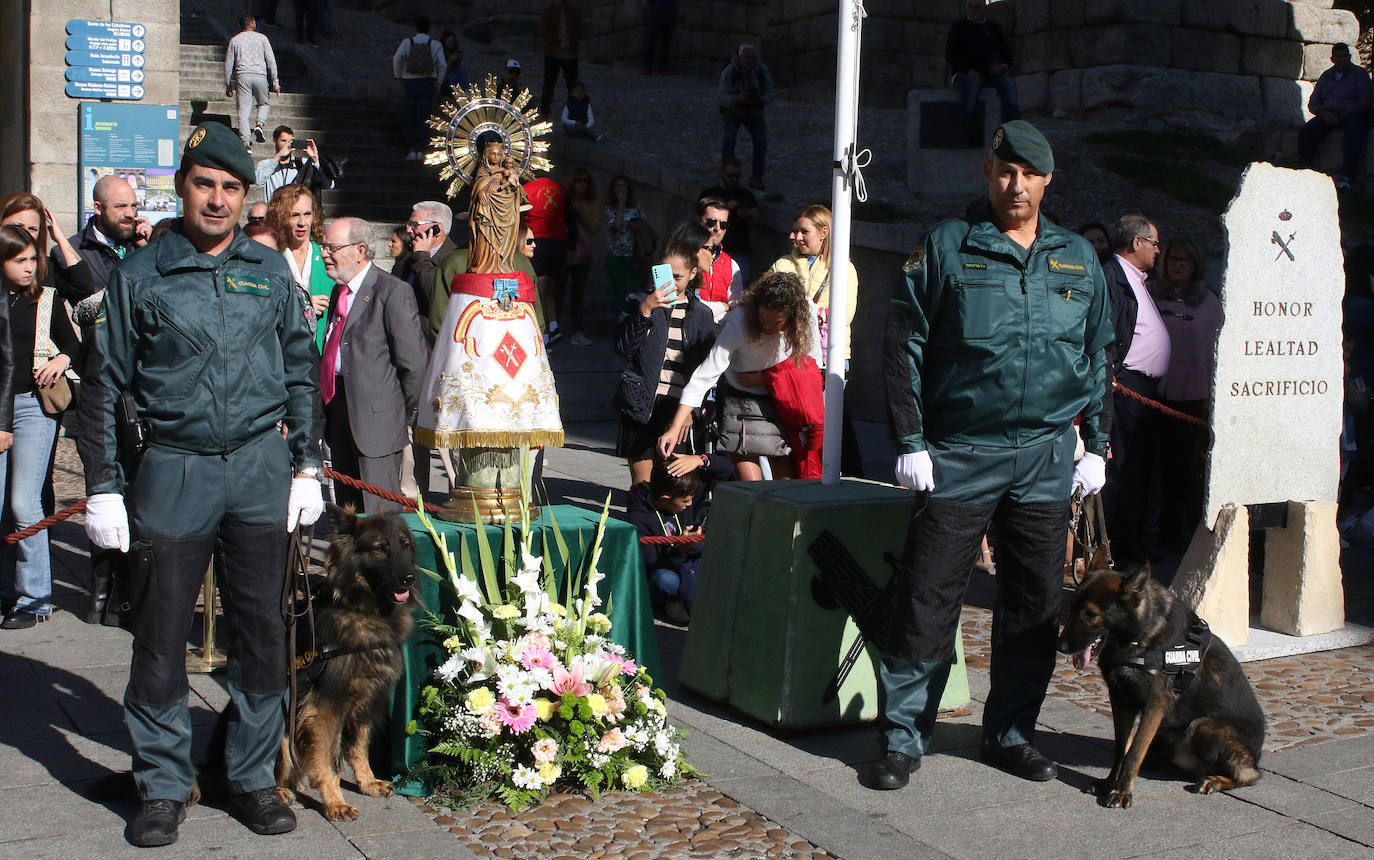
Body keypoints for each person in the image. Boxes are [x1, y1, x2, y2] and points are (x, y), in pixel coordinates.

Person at [77, 121, 323, 846]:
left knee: (261, 632)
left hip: (257, 468)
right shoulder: (140, 275)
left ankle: (247, 776)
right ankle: (161, 783)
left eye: (230, 187)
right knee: (158, 638)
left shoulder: (270, 271)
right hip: (172, 469)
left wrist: (308, 462)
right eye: (204, 184)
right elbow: (102, 382)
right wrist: (104, 485)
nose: (216, 199)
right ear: (183, 187)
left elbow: (298, 370)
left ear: (248, 196)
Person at [873, 120, 1112, 791]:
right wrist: (911, 441)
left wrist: (1098, 444)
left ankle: (1010, 734)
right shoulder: (948, 246)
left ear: (1047, 180)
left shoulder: (1075, 257)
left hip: (1043, 455)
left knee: (1034, 603)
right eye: (1005, 171)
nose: (1016, 185)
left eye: (1029, 174)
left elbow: (1097, 357)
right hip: (960, 449)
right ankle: (902, 737)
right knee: (928, 595)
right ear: (988, 172)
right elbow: (904, 343)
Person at [657, 271, 820, 481]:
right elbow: (704, 376)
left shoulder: (805, 313)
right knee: (750, 487)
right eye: (763, 319)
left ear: (793, 317)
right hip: (740, 403)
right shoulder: (741, 319)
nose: (767, 326)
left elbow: (811, 368)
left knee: (786, 487)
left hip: (782, 403)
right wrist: (675, 426)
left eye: (777, 323)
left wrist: (768, 379)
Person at [319, 216, 427, 514]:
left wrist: (398, 415)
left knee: (378, 519)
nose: (324, 253)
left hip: (377, 425)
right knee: (348, 512)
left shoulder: (391, 291)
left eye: (332, 247)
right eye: (323, 246)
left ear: (360, 249)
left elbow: (414, 365)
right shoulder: (338, 292)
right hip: (339, 411)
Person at [0, 224, 78, 630]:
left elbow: (76, 347)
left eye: (34, 258)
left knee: (23, 503)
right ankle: (6, 591)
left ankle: (35, 599)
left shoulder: (47, 299)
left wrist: (60, 359)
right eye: (20, 260)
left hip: (33, 406)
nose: (31, 267)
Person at [616, 240, 717, 486]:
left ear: (693, 273)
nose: (670, 283)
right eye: (664, 274)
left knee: (673, 484)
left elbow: (707, 368)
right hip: (642, 401)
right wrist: (646, 310)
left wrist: (693, 409)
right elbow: (623, 347)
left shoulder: (702, 314)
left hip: (678, 405)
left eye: (678, 276)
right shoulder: (639, 301)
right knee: (642, 486)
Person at [1102, 213, 1169, 567]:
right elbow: (1107, 332)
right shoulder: (1112, 276)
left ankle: (1133, 543)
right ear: (1137, 242)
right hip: (1124, 388)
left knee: (1139, 472)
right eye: (1154, 243)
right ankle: (1119, 549)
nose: (1158, 251)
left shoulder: (1138, 279)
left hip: (1144, 392)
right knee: (1122, 472)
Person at [1150, 236, 1222, 551]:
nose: (1178, 265)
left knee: (1192, 472)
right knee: (1162, 470)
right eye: (1173, 260)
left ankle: (1191, 534)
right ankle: (1164, 533)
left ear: (1195, 265)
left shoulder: (1209, 302)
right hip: (1157, 396)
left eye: (1185, 260)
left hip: (1195, 399)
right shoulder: (1152, 297)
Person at [627, 452, 732, 625]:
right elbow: (652, 567)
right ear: (665, 499)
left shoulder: (682, 494)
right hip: (663, 573)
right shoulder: (640, 519)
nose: (690, 505)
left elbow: (727, 470)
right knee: (665, 579)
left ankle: (689, 602)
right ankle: (679, 604)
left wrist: (700, 460)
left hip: (689, 566)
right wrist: (679, 550)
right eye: (686, 501)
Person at [769, 204, 859, 372]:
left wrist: (801, 312)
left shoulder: (843, 268)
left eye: (804, 231)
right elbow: (768, 303)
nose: (795, 236)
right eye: (795, 231)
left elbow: (844, 315)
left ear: (823, 233)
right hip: (786, 352)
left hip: (830, 355)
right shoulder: (782, 263)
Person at [265, 184, 332, 350]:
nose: (302, 223)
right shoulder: (270, 258)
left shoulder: (328, 256)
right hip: (282, 352)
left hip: (321, 354)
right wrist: (304, 306)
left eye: (307, 214)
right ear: (280, 217)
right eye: (294, 215)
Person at [946, 0, 1020, 146]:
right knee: (972, 87)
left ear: (983, 8)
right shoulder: (958, 28)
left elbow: (1007, 54)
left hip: (990, 75)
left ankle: (1015, 131)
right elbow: (951, 56)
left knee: (1009, 84)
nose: (973, 9)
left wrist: (1003, 66)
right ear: (965, 8)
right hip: (963, 74)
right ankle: (967, 134)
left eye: (976, 6)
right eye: (970, 6)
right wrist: (968, 70)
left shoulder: (993, 29)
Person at [1299, 42, 1372, 189]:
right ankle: (1306, 171)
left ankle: (1347, 176)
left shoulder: (1360, 74)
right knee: (1306, 131)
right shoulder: (1326, 76)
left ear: (1349, 57)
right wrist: (1322, 113)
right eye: (1338, 56)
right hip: (1328, 115)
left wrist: (1346, 113)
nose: (1342, 59)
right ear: (1332, 59)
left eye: (1344, 56)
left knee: (1354, 132)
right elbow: (1314, 102)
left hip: (1353, 114)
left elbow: (1365, 101)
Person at [0, 193, 95, 304]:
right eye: (17, 227)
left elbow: (84, 290)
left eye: (32, 229)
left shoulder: (47, 271)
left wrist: (61, 238)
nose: (25, 233)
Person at [718, 44, 775, 191]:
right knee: (729, 139)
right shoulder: (730, 72)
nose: (750, 61)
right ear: (739, 58)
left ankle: (757, 177)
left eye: (752, 58)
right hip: (733, 112)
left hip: (754, 112)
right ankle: (726, 174)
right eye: (746, 58)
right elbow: (721, 96)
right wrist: (737, 98)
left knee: (761, 142)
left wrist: (761, 100)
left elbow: (771, 91)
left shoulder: (762, 71)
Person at [524, 172, 569, 344]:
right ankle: (553, 325)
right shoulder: (560, 189)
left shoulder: (526, 188)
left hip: (536, 239)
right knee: (552, 286)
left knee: (540, 286)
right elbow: (569, 217)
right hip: (558, 241)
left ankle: (543, 333)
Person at [699, 157, 758, 285]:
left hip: (739, 250)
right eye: (730, 175)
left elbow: (756, 217)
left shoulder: (745, 195)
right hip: (709, 247)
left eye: (737, 176)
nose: (734, 179)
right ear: (722, 172)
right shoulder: (710, 194)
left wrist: (740, 211)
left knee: (740, 286)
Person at [393, 17, 446, 161]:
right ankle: (421, 150)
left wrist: (398, 76)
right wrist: (439, 82)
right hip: (428, 82)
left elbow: (397, 58)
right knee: (424, 116)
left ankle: (411, 149)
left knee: (410, 115)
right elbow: (442, 65)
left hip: (410, 82)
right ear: (429, 28)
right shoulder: (435, 44)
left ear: (416, 27)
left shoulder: (407, 42)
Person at [403, 200, 458, 339]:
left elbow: (436, 297)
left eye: (414, 225)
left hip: (431, 343)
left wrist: (422, 258)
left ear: (437, 229)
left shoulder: (453, 260)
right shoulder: (410, 256)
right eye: (409, 224)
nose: (408, 230)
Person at [225, 16, 281, 149]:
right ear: (253, 23)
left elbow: (228, 64)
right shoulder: (262, 38)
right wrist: (275, 81)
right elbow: (271, 60)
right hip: (260, 75)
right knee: (263, 104)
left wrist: (228, 84)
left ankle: (246, 143)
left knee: (243, 112)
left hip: (242, 75)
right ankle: (259, 124)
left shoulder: (235, 40)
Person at [254, 125, 336, 204]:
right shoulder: (266, 164)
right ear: (275, 141)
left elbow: (329, 185)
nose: (287, 144)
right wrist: (278, 156)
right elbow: (258, 180)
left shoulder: (302, 163)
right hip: (274, 212)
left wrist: (315, 159)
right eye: (283, 141)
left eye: (290, 141)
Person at [565, 166, 600, 345]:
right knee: (559, 290)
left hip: (582, 251)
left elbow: (594, 226)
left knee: (578, 293)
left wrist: (579, 215)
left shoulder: (591, 203)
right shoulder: (564, 200)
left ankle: (577, 331)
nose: (581, 184)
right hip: (565, 249)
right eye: (578, 180)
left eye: (585, 181)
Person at [695, 197, 743, 323]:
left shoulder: (732, 265)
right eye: (711, 222)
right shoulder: (684, 257)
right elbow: (690, 307)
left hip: (717, 336)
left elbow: (736, 309)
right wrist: (722, 306)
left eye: (723, 225)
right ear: (698, 220)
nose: (717, 228)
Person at [605, 175, 646, 308]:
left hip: (634, 253)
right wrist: (621, 205)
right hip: (616, 254)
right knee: (619, 288)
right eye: (617, 185)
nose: (621, 189)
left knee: (636, 287)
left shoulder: (636, 208)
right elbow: (616, 226)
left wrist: (635, 225)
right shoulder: (609, 209)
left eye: (623, 185)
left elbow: (643, 226)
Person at [539, 0, 583, 117]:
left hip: (570, 54)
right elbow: (545, 30)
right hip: (553, 52)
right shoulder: (548, 11)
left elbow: (579, 30)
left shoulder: (574, 12)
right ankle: (545, 110)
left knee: (572, 84)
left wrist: (570, 43)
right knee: (549, 82)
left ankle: (574, 111)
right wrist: (558, 43)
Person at [642, 0, 677, 75]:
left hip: (667, 16)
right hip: (658, 15)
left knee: (665, 44)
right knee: (652, 42)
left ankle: (662, 68)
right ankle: (649, 67)